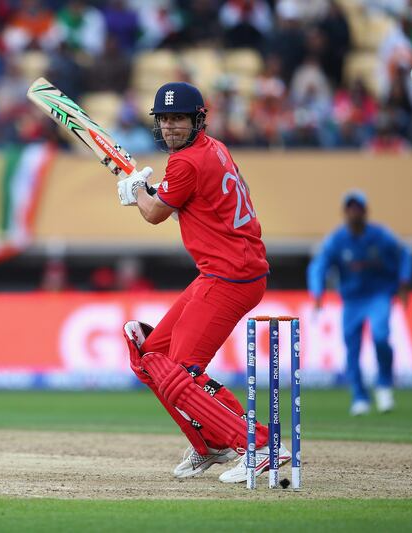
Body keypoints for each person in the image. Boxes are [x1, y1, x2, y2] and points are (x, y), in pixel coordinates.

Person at [116, 82, 290, 484]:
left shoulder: (185, 163)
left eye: (178, 119)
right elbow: (188, 205)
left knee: (181, 371)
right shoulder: (213, 149)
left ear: (197, 120)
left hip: (230, 275)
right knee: (150, 357)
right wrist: (150, 192)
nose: (171, 127)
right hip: (226, 270)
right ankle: (210, 443)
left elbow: (155, 214)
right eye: (164, 120)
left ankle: (260, 444)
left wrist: (138, 194)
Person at [307, 190, 412, 416]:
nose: (354, 212)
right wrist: (317, 293)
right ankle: (360, 396)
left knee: (381, 336)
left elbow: (405, 254)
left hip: (378, 295)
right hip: (352, 300)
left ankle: (384, 385)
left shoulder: (380, 235)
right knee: (352, 348)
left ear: (365, 211)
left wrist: (403, 283)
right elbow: (318, 266)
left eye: (358, 208)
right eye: (350, 208)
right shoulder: (337, 240)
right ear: (345, 212)